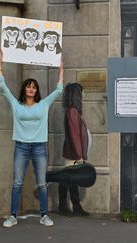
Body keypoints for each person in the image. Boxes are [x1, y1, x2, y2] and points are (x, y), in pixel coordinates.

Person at [0, 49, 63, 228]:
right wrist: (0, 67)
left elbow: (58, 90)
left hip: (40, 147)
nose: (32, 88)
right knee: (17, 182)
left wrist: (61, 68)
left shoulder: (44, 104)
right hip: (21, 147)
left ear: (36, 90)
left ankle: (44, 215)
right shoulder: (16, 104)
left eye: (34, 86)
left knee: (41, 183)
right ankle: (12, 216)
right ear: (24, 89)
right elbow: (3, 87)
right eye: (29, 86)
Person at [58, 83, 90, 216]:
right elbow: (74, 134)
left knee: (69, 180)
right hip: (73, 153)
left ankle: (69, 206)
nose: (84, 95)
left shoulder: (73, 111)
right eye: (83, 92)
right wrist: (79, 155)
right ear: (77, 94)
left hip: (73, 152)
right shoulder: (73, 111)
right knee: (68, 180)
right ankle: (68, 206)